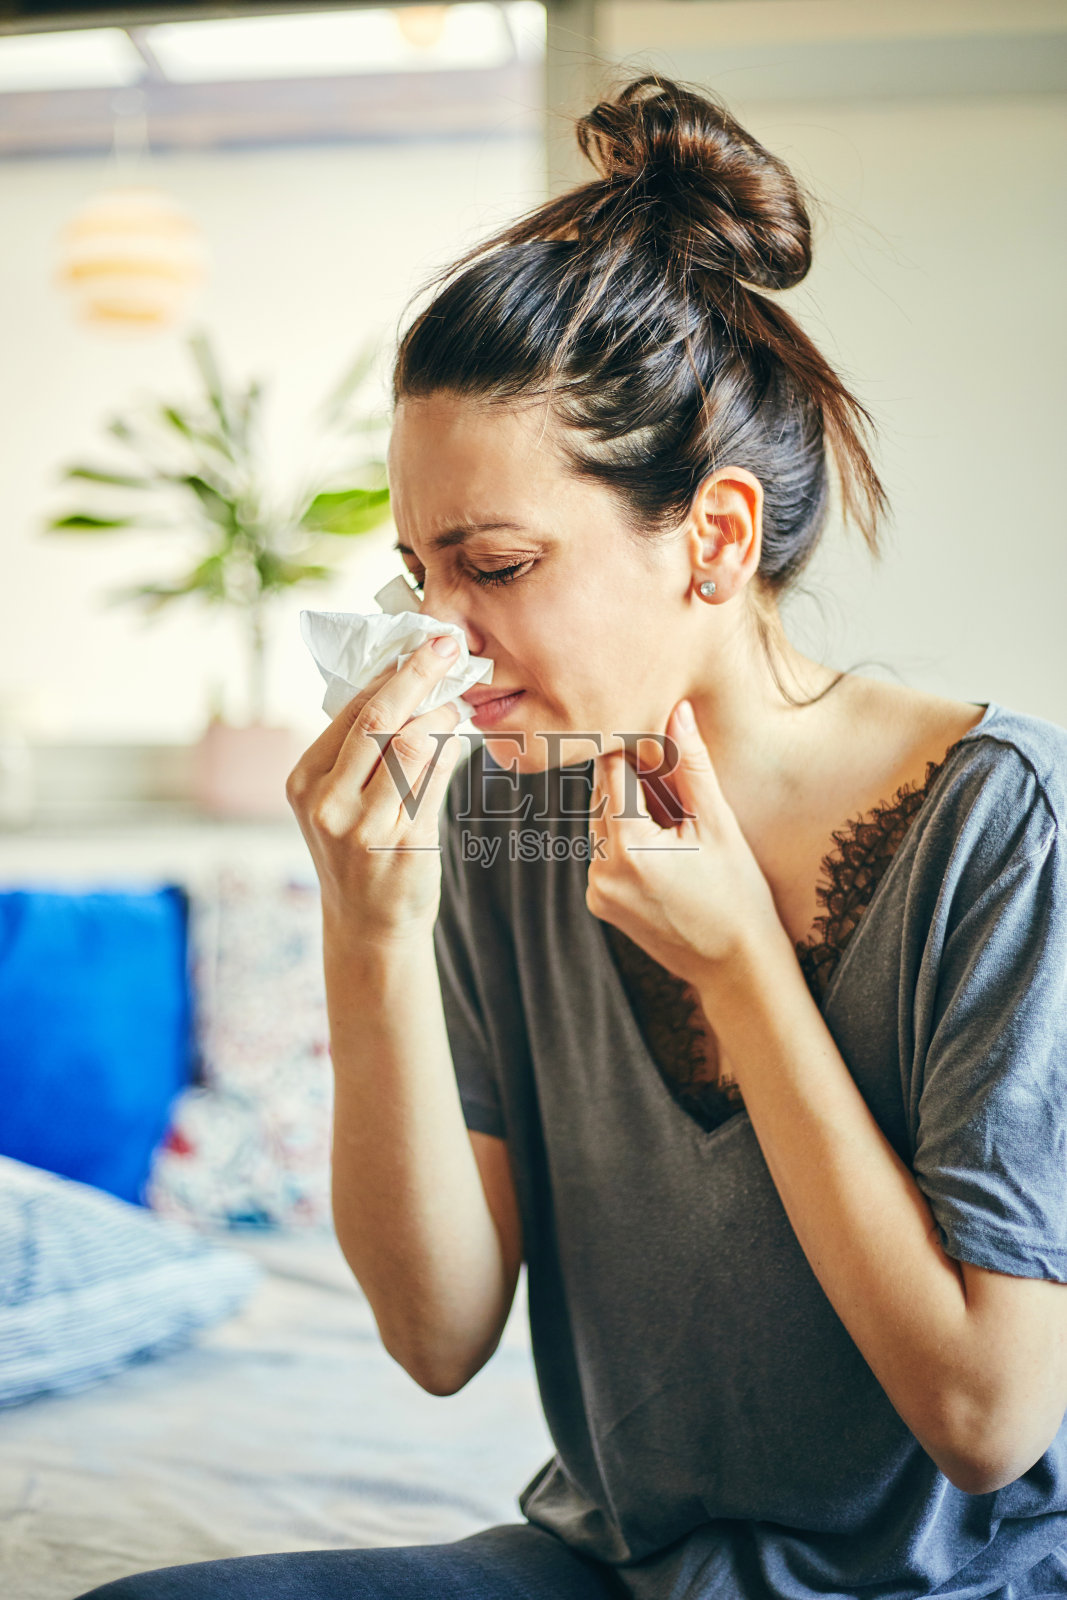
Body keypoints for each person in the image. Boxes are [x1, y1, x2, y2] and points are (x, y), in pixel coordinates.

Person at [76, 73, 1067, 1600]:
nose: (442, 640)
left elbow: (988, 1420)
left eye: (497, 565)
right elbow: (436, 1334)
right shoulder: (510, 804)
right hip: (612, 1569)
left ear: (716, 538)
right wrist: (370, 933)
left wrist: (742, 970)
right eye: (420, 575)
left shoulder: (1002, 825)